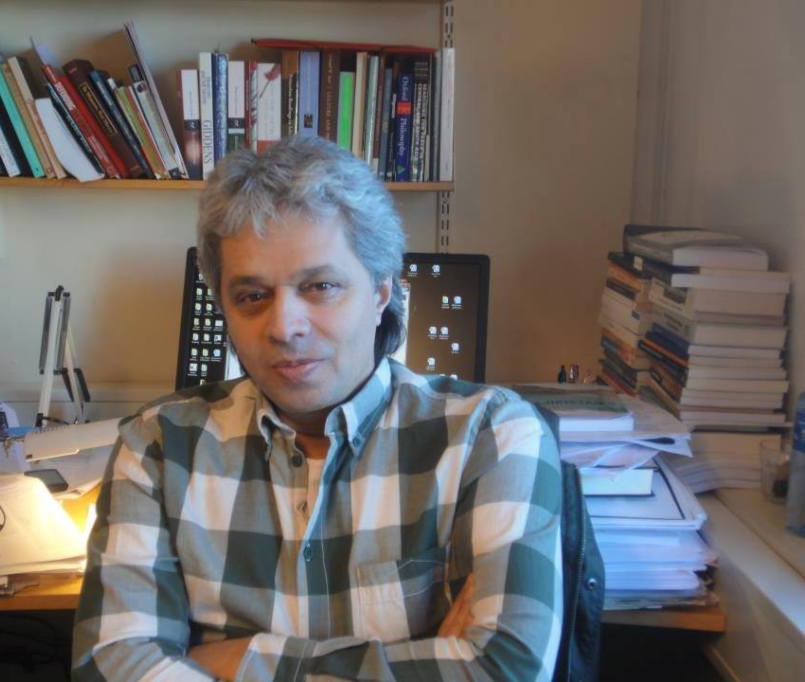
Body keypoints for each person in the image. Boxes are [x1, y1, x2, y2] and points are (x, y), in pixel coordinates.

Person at [72, 135, 563, 681]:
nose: (284, 327)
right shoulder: (158, 447)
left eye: (321, 286)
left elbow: (505, 669)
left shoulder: (491, 436)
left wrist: (234, 660)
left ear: (381, 292)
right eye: (252, 296)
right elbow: (109, 668)